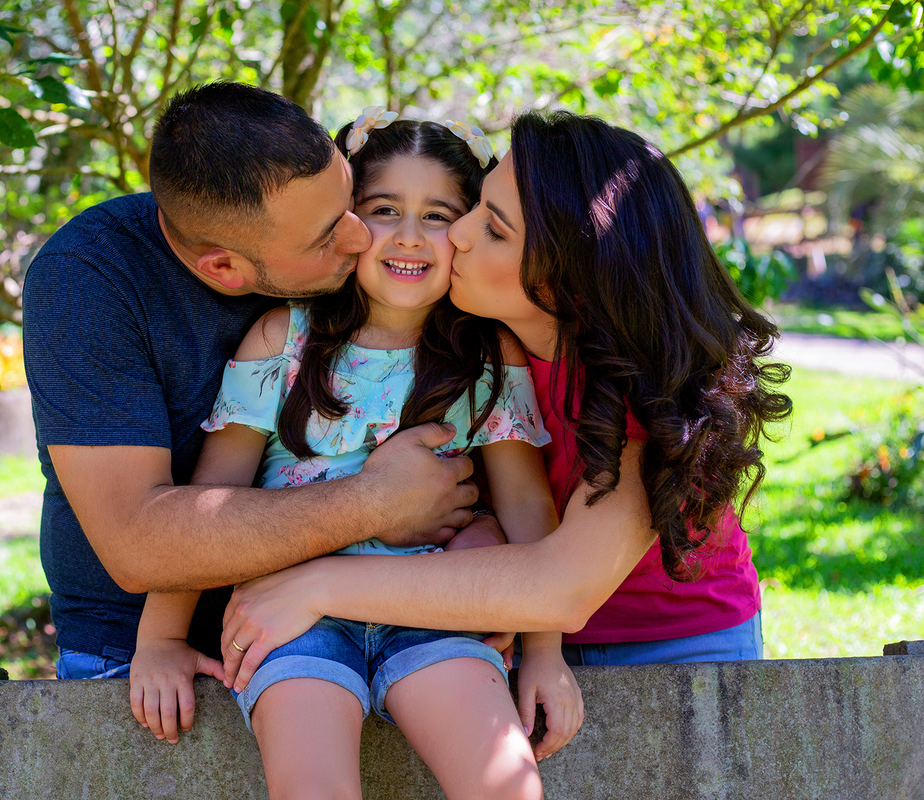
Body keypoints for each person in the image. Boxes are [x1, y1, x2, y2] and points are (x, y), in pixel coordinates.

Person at [218, 111, 793, 757]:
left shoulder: (652, 387)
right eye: (477, 204)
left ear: (566, 270)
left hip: (673, 645)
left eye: (490, 227)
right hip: (494, 630)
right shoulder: (470, 345)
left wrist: (313, 585)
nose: (454, 233)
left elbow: (558, 588)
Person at [129, 114, 562, 800]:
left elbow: (527, 505)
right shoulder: (284, 340)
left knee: (505, 786)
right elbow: (211, 500)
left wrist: (545, 653)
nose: (411, 236)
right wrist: (159, 640)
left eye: (439, 215)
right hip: (291, 619)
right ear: (348, 225)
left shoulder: (486, 355)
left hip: (436, 610)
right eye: (384, 210)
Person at [22, 83, 486, 681]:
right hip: (141, 656)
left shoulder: (375, 260)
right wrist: (377, 502)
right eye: (327, 236)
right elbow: (140, 546)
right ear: (225, 269)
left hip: (370, 617)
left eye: (351, 201)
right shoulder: (92, 281)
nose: (359, 236)